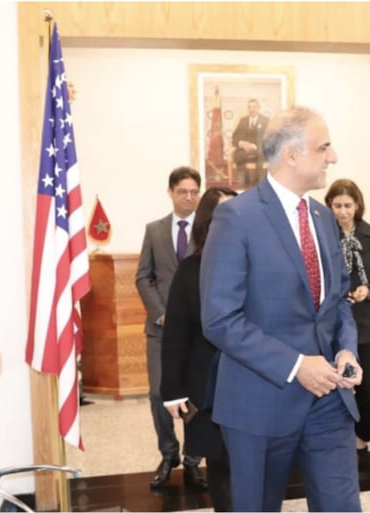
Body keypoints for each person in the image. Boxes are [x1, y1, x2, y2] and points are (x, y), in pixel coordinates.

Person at [200, 106, 363, 512]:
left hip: (329, 399)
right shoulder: (236, 217)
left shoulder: (324, 218)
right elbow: (220, 319)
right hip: (260, 401)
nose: (334, 156)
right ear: (292, 154)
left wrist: (346, 350)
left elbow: (337, 300)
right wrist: (296, 365)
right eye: (323, 147)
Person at [160, 186, 237, 511]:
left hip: (255, 382)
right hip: (209, 388)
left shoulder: (260, 263)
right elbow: (176, 334)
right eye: (223, 213)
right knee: (221, 468)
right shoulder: (192, 269)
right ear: (207, 221)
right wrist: (172, 391)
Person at [135, 166, 207, 490]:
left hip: (197, 333)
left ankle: (193, 460)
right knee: (158, 394)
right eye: (183, 192)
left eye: (194, 192)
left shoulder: (208, 232)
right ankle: (168, 454)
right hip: (160, 329)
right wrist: (162, 312)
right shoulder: (154, 230)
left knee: (195, 396)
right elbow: (143, 276)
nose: (189, 197)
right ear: (171, 193)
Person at [325, 178, 370, 454]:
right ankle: (332, 436)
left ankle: (362, 435)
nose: (342, 211)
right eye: (337, 205)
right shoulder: (323, 234)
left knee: (367, 387)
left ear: (357, 206)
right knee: (332, 385)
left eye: (347, 206)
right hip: (333, 323)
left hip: (368, 323)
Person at [231, 98, 269, 188]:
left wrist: (254, 146)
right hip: (244, 149)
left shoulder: (265, 121)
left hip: (258, 149)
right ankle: (244, 182)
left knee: (260, 156)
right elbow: (235, 136)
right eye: (250, 107)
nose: (252, 109)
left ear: (258, 108)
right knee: (238, 155)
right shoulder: (243, 120)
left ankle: (257, 183)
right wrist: (241, 143)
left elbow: (268, 138)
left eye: (254, 107)